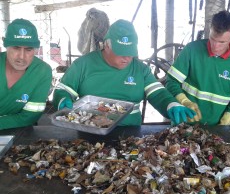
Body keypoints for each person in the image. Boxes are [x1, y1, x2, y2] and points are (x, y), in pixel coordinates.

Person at [53, 19, 195, 126]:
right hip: (89, 129)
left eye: (130, 53)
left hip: (130, 132)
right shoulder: (83, 65)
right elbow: (62, 91)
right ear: (107, 45)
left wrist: (171, 105)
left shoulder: (141, 69)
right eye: (121, 53)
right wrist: (62, 101)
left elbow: (158, 94)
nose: (127, 58)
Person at [166, 10, 230, 125]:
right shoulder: (192, 50)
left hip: (216, 127)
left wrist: (229, 116)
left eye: (221, 42)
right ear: (210, 30)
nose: (215, 46)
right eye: (212, 39)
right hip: (183, 121)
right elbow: (171, 81)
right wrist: (184, 101)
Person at [0, 18, 52, 130]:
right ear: (5, 43)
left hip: (20, 132)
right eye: (16, 48)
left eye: (28, 50)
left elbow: (29, 117)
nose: (21, 57)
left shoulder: (42, 71)